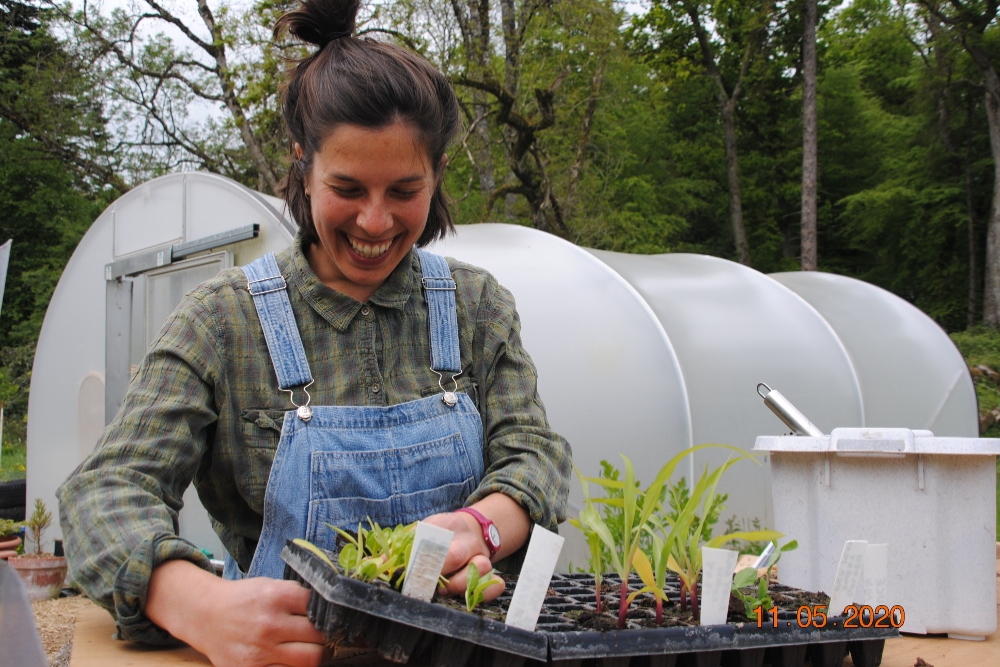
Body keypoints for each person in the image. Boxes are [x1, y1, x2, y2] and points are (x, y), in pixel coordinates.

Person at [56, 1, 572, 665]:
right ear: (303, 164)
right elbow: (104, 492)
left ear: (439, 171)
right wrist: (196, 602)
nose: (377, 220)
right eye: (348, 187)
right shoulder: (223, 321)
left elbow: (536, 455)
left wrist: (479, 524)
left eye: (404, 190)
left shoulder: (475, 306)